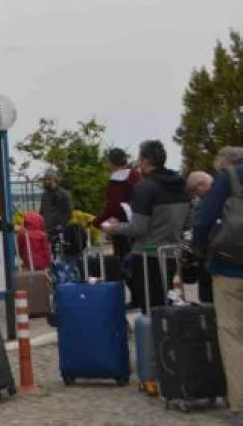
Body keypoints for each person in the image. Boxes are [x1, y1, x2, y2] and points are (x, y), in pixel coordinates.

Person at [102, 140, 188, 314]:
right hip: (170, 254)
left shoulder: (146, 187)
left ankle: (153, 340)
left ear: (146, 160)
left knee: (151, 310)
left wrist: (114, 228)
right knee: (166, 306)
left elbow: (138, 228)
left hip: (147, 255)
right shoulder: (180, 185)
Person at [193, 146, 243, 419]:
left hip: (229, 269)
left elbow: (203, 219)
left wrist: (203, 252)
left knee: (233, 334)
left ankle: (240, 405)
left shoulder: (226, 179)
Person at [94, 149, 141, 260]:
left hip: (122, 225)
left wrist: (97, 221)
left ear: (111, 163)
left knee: (123, 260)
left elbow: (113, 207)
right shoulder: (136, 175)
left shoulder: (117, 180)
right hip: (140, 221)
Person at [185, 171, 216, 303]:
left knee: (208, 298)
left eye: (194, 190)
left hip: (209, 257)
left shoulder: (203, 206)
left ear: (200, 186)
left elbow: (197, 231)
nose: (194, 195)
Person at [39, 169, 73, 236]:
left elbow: (68, 212)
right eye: (44, 179)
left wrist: (61, 225)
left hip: (59, 230)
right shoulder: (44, 195)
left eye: (47, 179)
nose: (45, 181)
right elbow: (42, 212)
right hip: (46, 230)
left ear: (54, 180)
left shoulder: (63, 194)